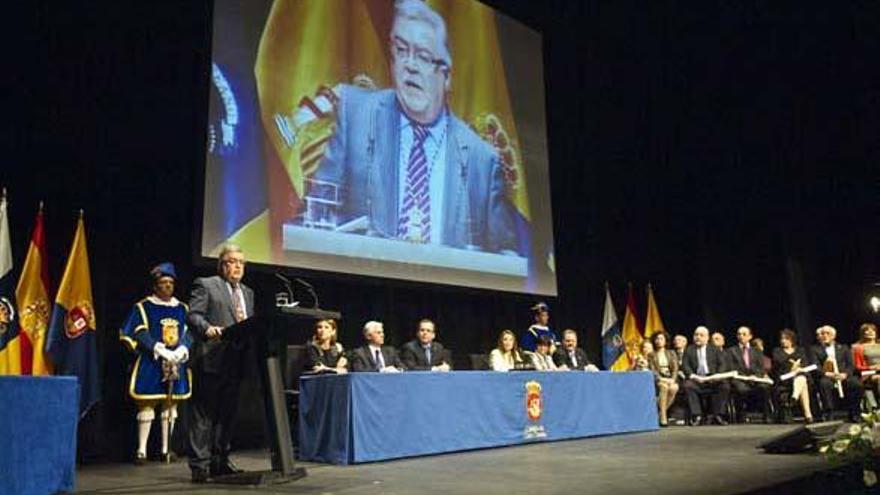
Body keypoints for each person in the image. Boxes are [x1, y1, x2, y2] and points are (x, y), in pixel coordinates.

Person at [311, 0, 517, 252]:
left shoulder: (481, 161)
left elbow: (506, 261)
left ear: (447, 76)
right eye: (401, 50)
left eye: (423, 56)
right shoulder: (356, 115)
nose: (410, 65)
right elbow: (315, 216)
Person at [186, 245, 255, 483]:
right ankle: (200, 466)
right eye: (232, 261)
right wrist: (208, 328)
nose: (237, 266)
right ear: (222, 265)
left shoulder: (248, 292)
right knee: (203, 415)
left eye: (241, 263)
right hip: (211, 358)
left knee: (228, 415)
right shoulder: (206, 284)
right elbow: (193, 315)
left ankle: (220, 461)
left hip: (236, 361)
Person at [119, 263, 191, 464]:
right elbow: (138, 330)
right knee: (146, 406)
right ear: (155, 285)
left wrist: (182, 349)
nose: (167, 286)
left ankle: (166, 449)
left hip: (176, 362)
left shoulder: (182, 308)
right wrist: (157, 348)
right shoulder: (143, 307)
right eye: (163, 283)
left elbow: (189, 332)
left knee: (170, 407)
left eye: (170, 283)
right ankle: (141, 450)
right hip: (152, 362)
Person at [809, 325, 862, 422]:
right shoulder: (815, 349)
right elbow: (815, 366)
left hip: (843, 375)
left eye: (827, 333)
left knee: (856, 383)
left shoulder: (844, 348)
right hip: (827, 375)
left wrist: (845, 374)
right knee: (824, 384)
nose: (824, 336)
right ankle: (829, 413)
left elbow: (851, 365)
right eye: (822, 334)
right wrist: (828, 374)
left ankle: (855, 413)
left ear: (833, 336)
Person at [681, 326, 731, 426]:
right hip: (696, 379)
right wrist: (695, 377)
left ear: (707, 338)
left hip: (712, 379)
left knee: (724, 386)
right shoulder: (689, 350)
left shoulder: (715, 349)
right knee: (688, 385)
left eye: (701, 335)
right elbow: (685, 366)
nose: (698, 337)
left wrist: (716, 376)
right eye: (696, 335)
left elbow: (722, 364)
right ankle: (697, 415)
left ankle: (718, 415)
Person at [726, 326, 771, 423]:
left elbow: (761, 368)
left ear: (750, 336)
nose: (741, 336)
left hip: (755, 378)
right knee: (741, 389)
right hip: (740, 379)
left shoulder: (757, 351)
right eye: (739, 334)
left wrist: (756, 376)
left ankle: (767, 415)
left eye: (744, 334)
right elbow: (731, 368)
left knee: (765, 387)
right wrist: (746, 378)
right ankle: (741, 415)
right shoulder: (731, 351)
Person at [770, 329, 814, 424]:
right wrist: (792, 367)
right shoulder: (777, 351)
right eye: (782, 339)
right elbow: (779, 363)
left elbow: (805, 363)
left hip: (799, 376)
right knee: (803, 383)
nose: (783, 341)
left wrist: (798, 368)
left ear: (792, 340)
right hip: (785, 379)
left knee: (801, 378)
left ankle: (795, 396)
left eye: (786, 339)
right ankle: (808, 414)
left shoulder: (800, 350)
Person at [647, 332, 679, 427]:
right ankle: (663, 418)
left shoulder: (671, 353)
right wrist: (660, 379)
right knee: (663, 387)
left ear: (665, 341)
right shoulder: (651, 355)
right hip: (658, 380)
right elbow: (653, 370)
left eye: (661, 339)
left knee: (674, 388)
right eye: (657, 339)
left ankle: (659, 414)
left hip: (670, 378)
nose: (659, 341)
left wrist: (673, 379)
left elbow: (675, 368)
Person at [852, 322, 880, 410]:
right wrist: (871, 367)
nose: (870, 332)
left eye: (873, 330)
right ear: (863, 333)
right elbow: (857, 366)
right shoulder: (858, 347)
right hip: (869, 373)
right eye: (867, 331)